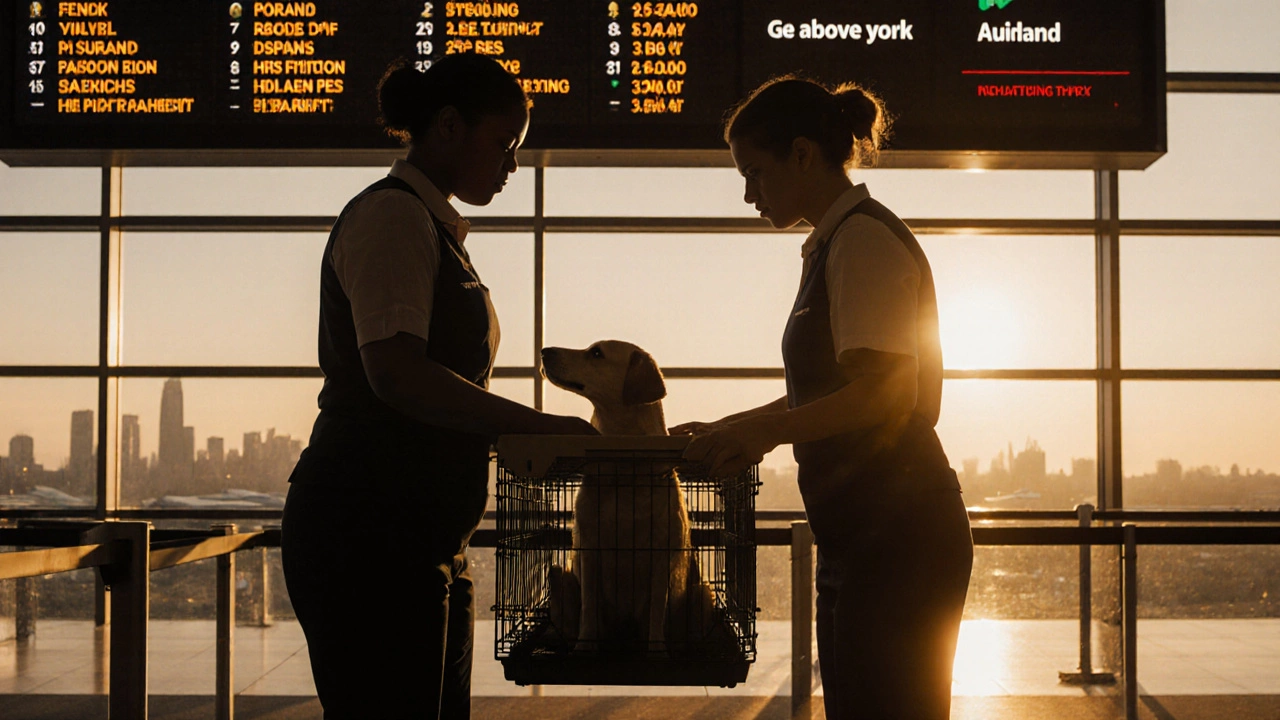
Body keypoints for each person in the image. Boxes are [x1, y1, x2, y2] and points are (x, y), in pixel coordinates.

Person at [281, 54, 596, 720]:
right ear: (449, 126)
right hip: (368, 536)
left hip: (416, 537)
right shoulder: (392, 219)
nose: (512, 166)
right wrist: (540, 426)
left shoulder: (430, 226)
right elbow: (396, 373)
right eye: (504, 146)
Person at [673, 75, 974, 720]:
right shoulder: (837, 243)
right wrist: (733, 425)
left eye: (754, 172)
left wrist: (764, 433)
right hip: (866, 534)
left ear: (803, 154)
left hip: (896, 538)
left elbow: (886, 397)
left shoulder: (862, 241)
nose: (748, 194)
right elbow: (827, 395)